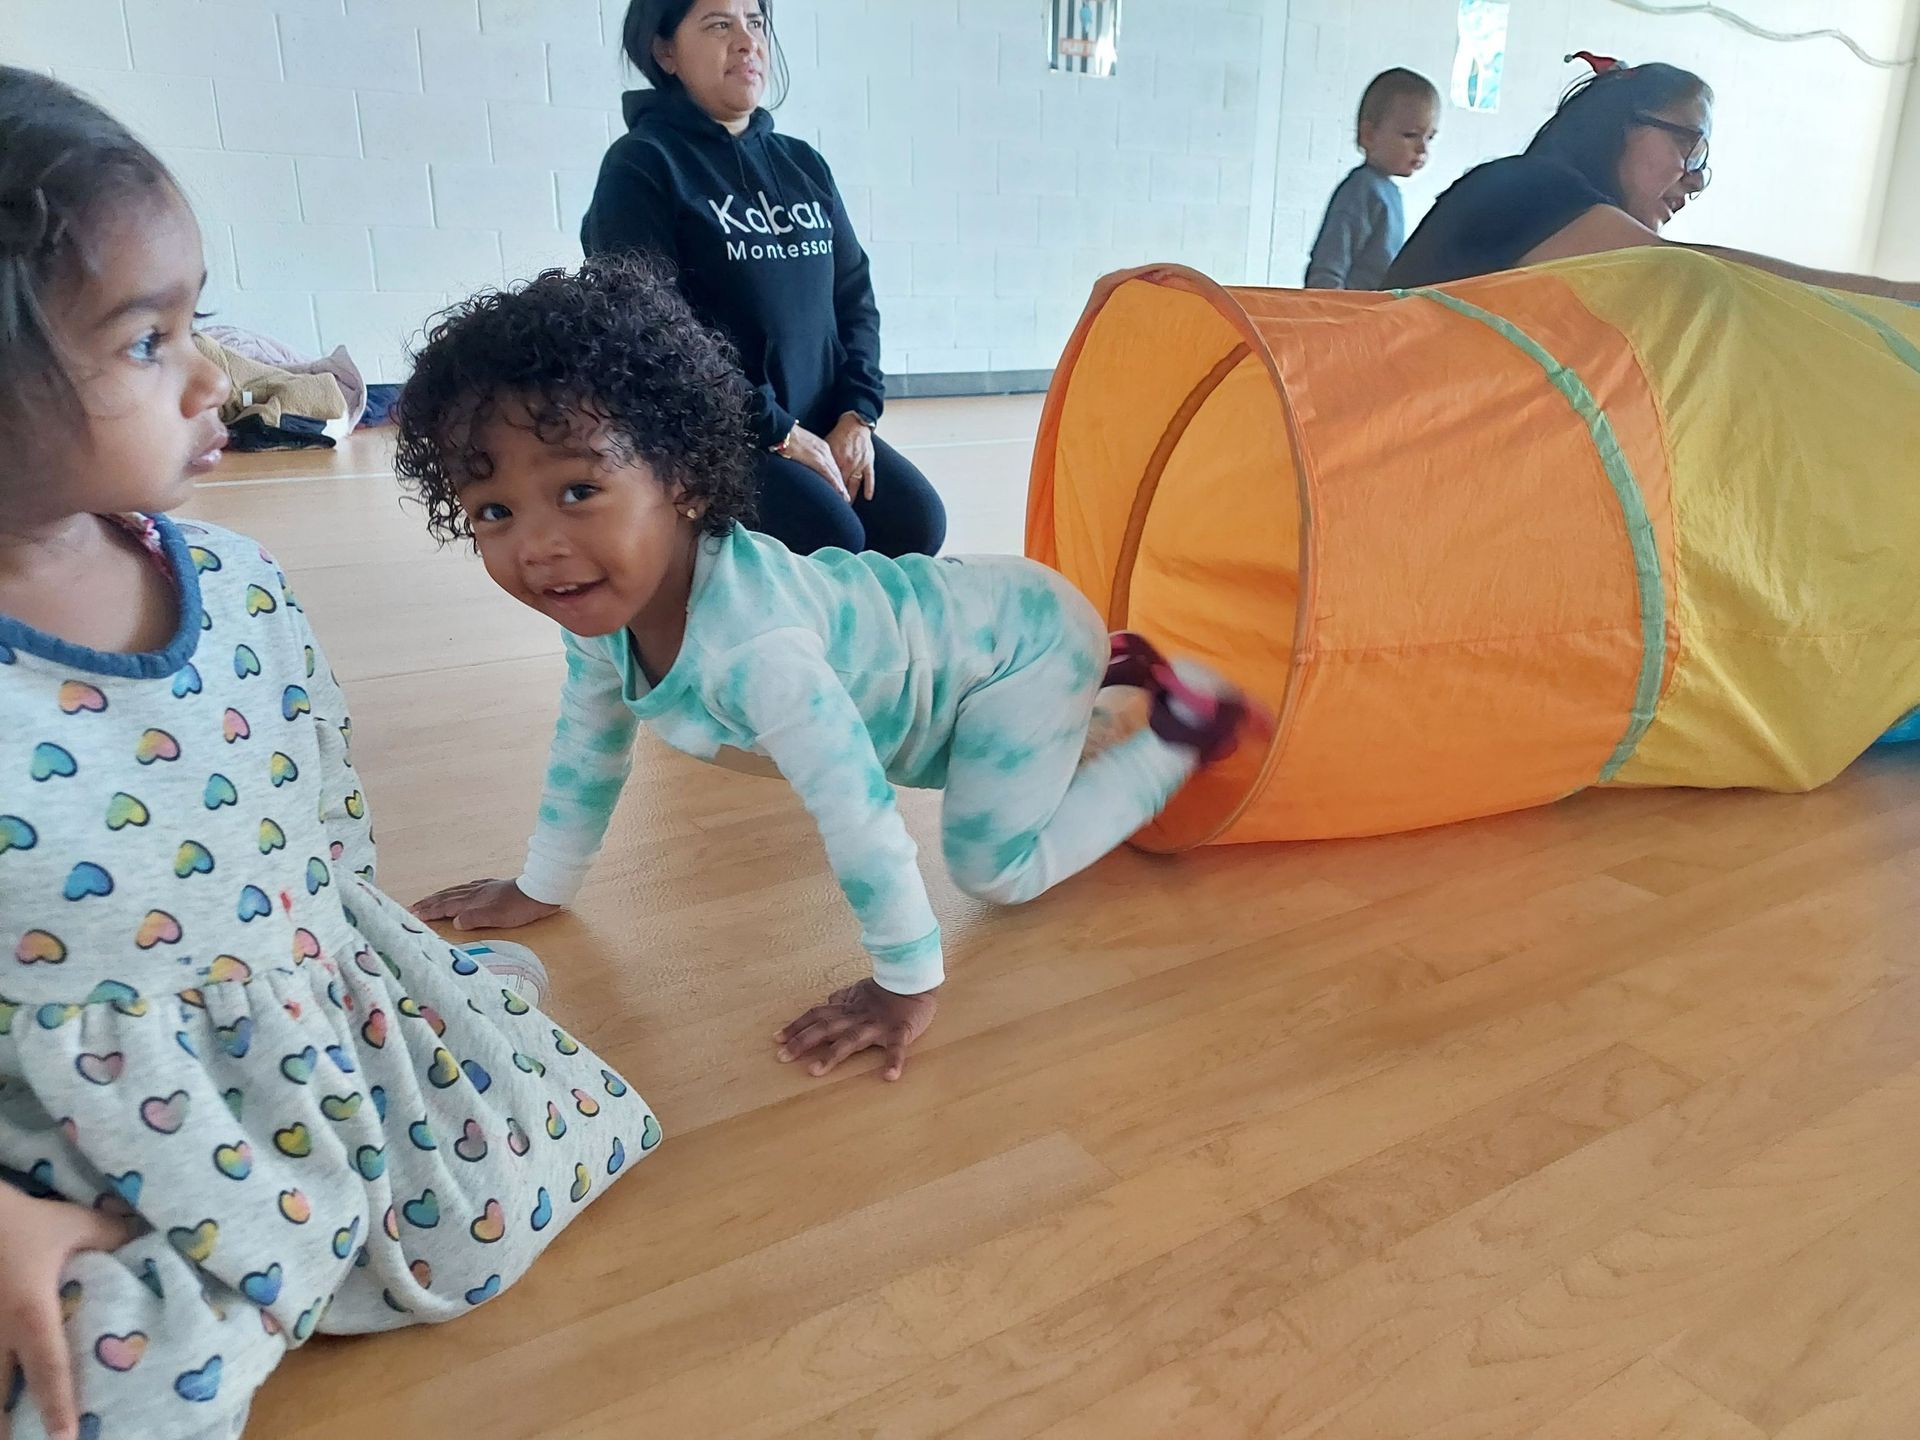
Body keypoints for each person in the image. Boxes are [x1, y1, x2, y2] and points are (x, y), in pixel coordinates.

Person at [0, 70, 656, 1440]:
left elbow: (322, 824)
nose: (214, 379)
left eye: (199, 322)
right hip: (73, 1148)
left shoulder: (237, 587)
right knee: (100, 1385)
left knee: (496, 1186)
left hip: (304, 1024)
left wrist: (388, 983)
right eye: (144, 343)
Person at [395, 257, 1261, 1084]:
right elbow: (588, 746)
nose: (538, 546)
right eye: (494, 511)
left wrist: (905, 981)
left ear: (685, 479)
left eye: (579, 491)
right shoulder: (602, 611)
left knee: (996, 868)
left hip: (1019, 646)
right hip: (978, 634)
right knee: (1001, 776)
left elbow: (859, 813)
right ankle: (1100, 689)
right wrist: (540, 886)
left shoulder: (759, 650)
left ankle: (1185, 727)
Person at [580, 0, 946, 559]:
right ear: (665, 51)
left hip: (822, 418)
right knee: (830, 536)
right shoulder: (641, 166)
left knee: (914, 523)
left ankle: (854, 642)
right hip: (719, 432)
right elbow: (650, 334)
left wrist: (858, 414)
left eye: (755, 22)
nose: (747, 41)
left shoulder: (804, 165)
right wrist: (776, 430)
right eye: (719, 25)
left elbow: (854, 297)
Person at [1386, 58, 1920, 302]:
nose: (1695, 182)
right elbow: (1700, 276)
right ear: (1619, 127)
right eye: (1689, 146)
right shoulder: (1528, 189)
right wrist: (1894, 297)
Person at [1305, 68, 1440, 290]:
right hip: (1349, 317)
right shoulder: (1361, 190)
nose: (1422, 148)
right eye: (1410, 135)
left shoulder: (1389, 192)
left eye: (1430, 137)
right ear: (1369, 135)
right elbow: (1327, 269)